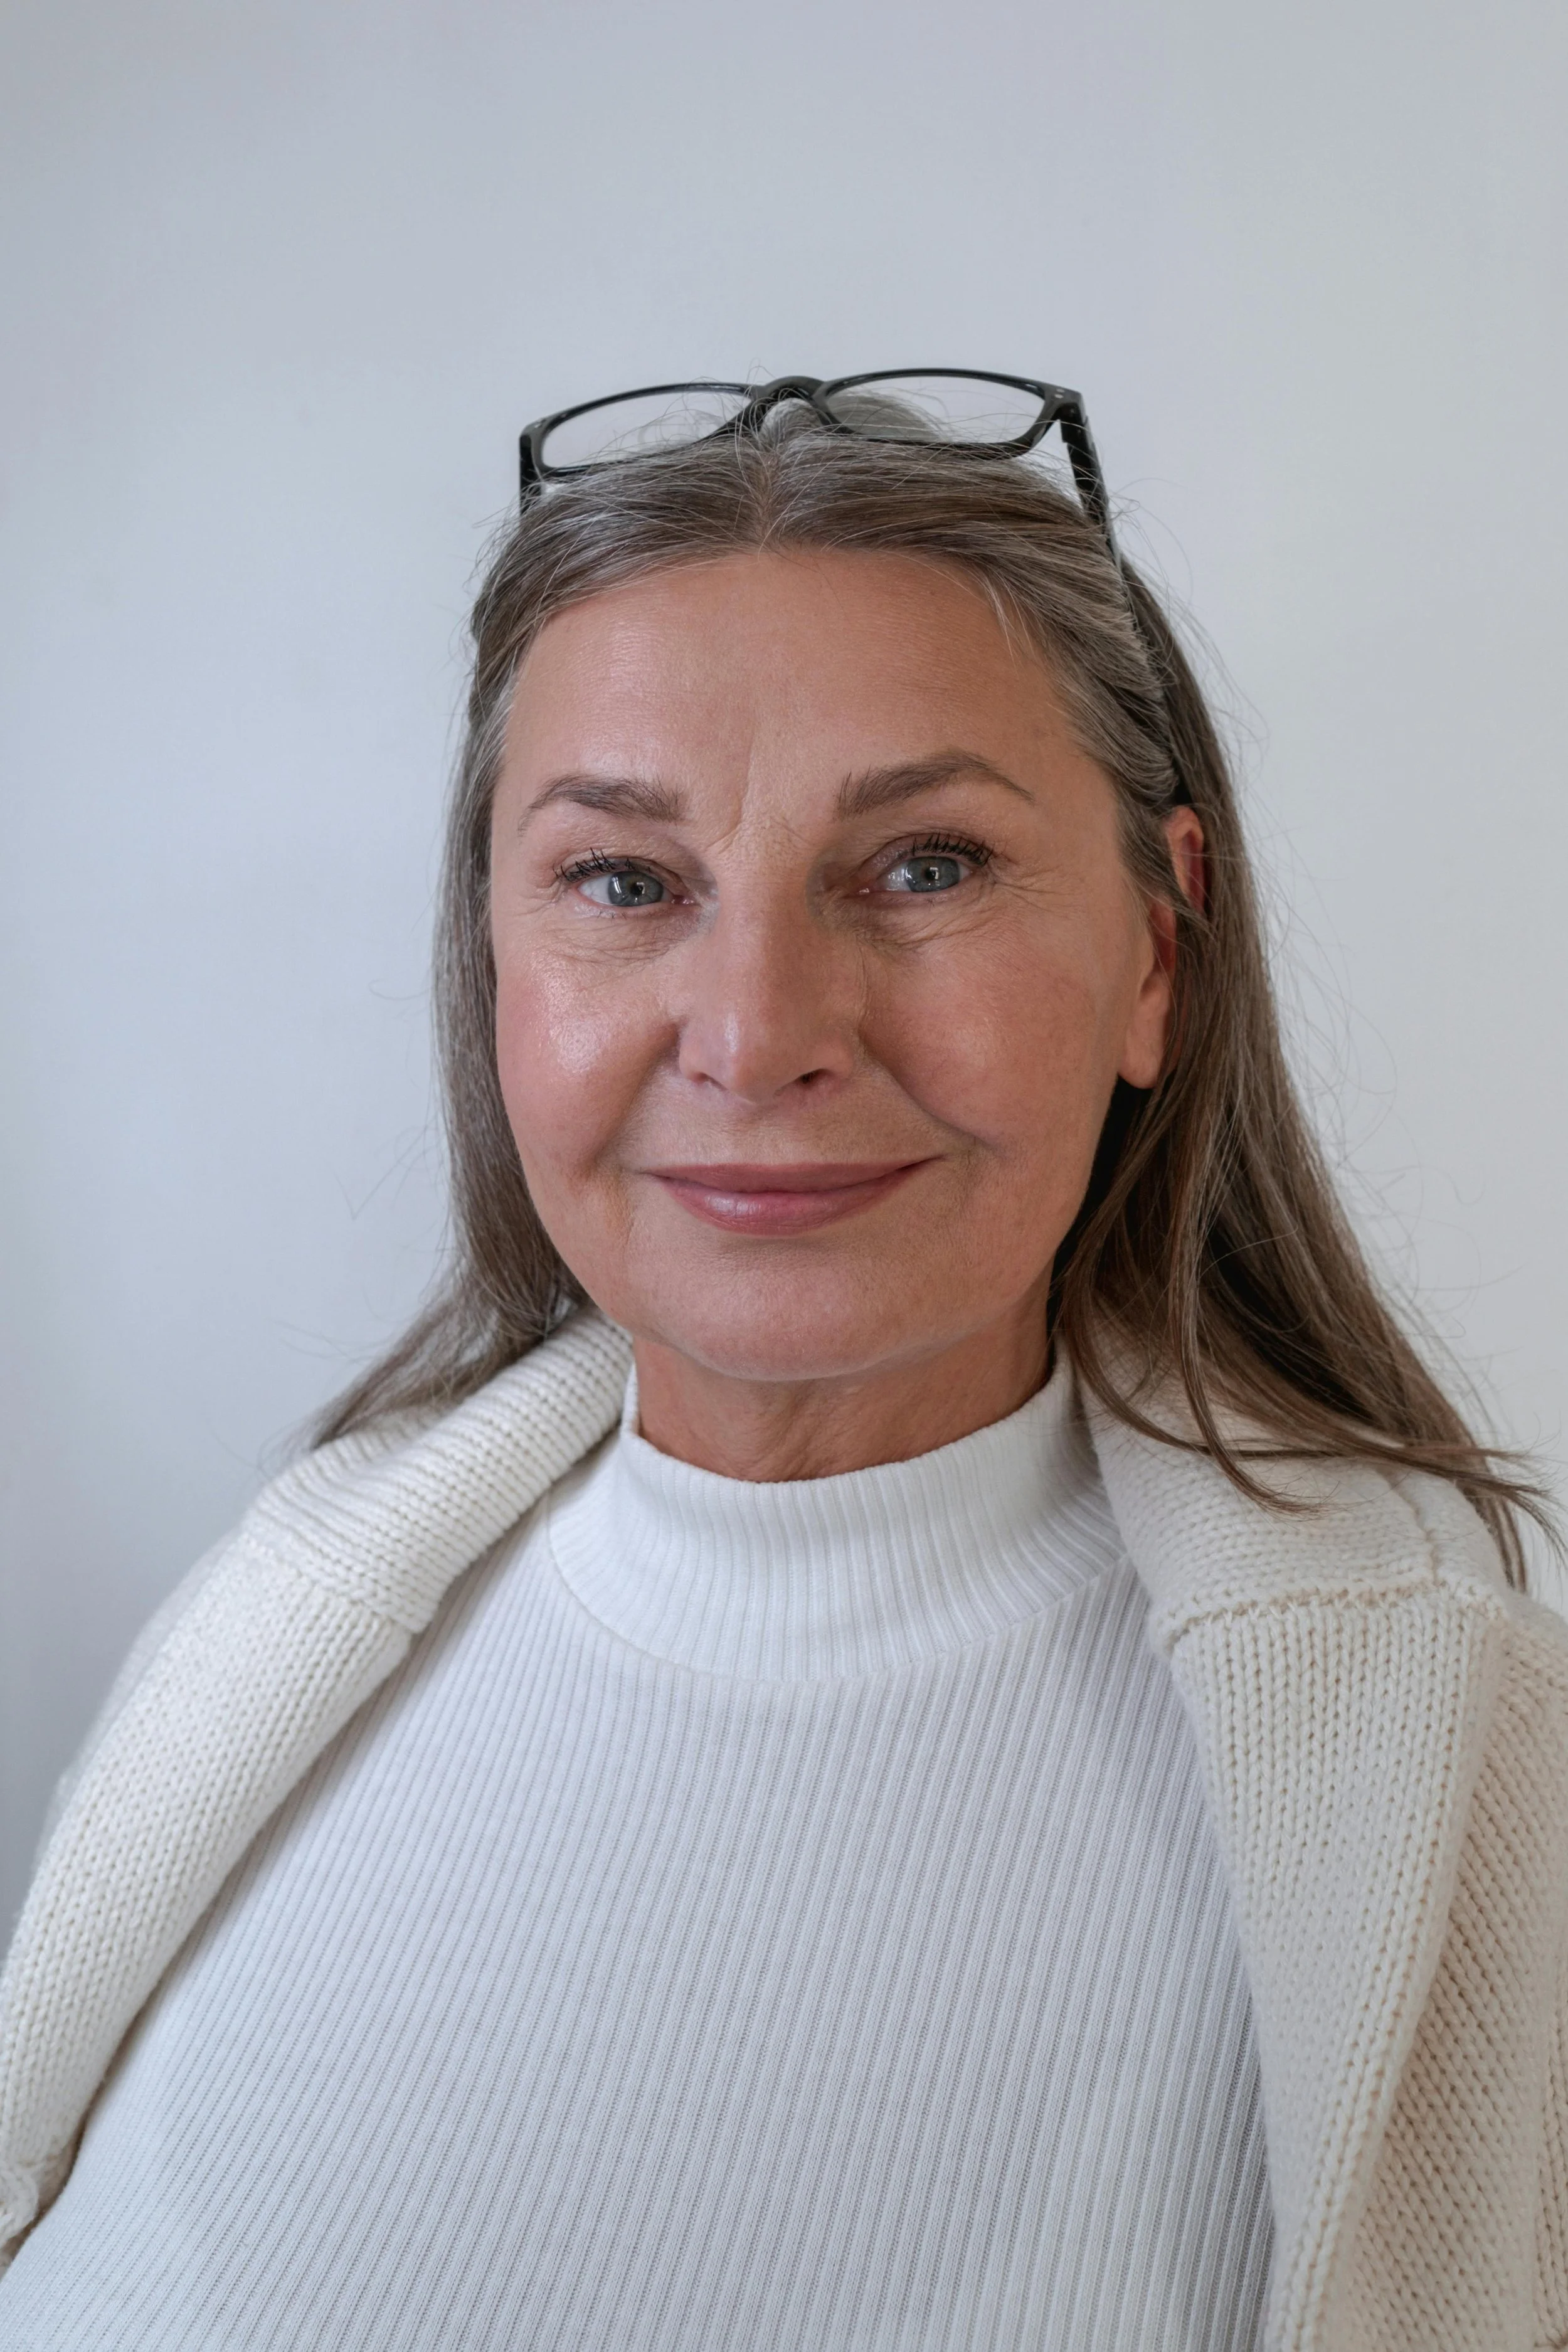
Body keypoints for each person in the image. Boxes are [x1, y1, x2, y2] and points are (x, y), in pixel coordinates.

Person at [1, 373, 1564, 2352]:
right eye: (625, 881)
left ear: (1156, 956)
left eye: (922, 866)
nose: (757, 1033)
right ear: (493, 963)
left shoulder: (1469, 1791)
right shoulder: (267, 1637)